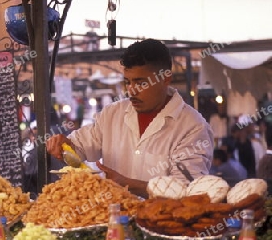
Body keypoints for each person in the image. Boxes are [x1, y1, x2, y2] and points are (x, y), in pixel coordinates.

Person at [46, 39, 214, 197]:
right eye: (128, 82)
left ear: (165, 79)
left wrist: (128, 184)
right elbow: (80, 147)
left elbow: (184, 190)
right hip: (115, 222)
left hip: (162, 225)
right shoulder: (112, 114)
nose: (131, 90)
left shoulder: (193, 127)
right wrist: (64, 145)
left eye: (141, 83)